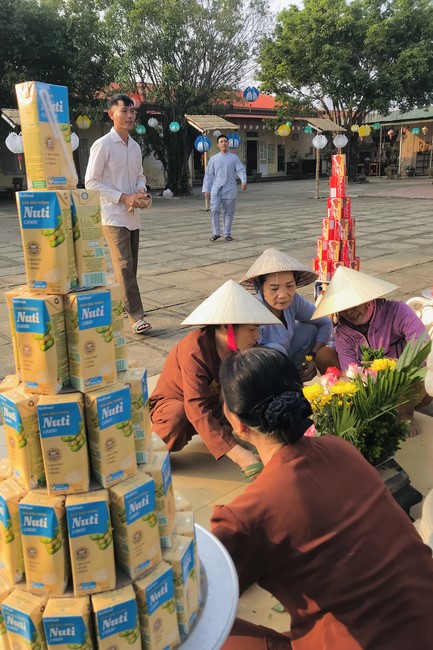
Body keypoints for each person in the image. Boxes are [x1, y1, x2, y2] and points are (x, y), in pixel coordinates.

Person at [211, 347, 433, 650]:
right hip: (424, 618)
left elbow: (199, 593)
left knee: (200, 628)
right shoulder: (341, 449)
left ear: (238, 424)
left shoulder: (248, 516)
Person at [149, 280, 280, 471]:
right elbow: (195, 405)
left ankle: (220, 431)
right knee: (177, 416)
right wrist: (240, 456)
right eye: (252, 329)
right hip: (178, 404)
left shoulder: (246, 349)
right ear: (227, 328)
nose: (257, 336)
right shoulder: (194, 348)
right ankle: (154, 453)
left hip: (216, 405)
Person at [312, 265, 430, 434]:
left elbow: (422, 347)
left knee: (424, 373)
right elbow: (349, 370)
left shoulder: (397, 311)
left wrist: (398, 366)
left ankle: (406, 412)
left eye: (354, 304)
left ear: (367, 299)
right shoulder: (343, 331)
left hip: (404, 378)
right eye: (343, 308)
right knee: (325, 355)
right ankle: (366, 408)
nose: (349, 312)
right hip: (369, 382)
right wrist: (363, 374)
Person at [85, 93, 152, 335]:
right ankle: (136, 316)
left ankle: (125, 304)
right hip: (112, 215)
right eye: (124, 111)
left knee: (130, 266)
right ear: (111, 113)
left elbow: (139, 176)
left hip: (133, 216)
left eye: (133, 111)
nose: (130, 115)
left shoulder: (134, 147)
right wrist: (123, 197)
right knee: (124, 266)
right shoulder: (102, 144)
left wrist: (140, 191)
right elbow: (91, 182)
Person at [240, 248, 337, 381]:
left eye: (290, 286)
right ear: (260, 287)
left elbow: (325, 322)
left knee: (310, 330)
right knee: (275, 349)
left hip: (285, 356)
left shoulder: (295, 301)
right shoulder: (254, 310)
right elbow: (248, 354)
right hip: (262, 370)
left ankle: (296, 374)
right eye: (274, 288)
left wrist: (312, 357)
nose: (283, 295)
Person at [202, 134, 247, 242]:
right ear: (218, 145)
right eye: (221, 142)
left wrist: (243, 180)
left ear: (228, 144)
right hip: (216, 189)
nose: (224, 143)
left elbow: (240, 170)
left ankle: (227, 233)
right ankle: (216, 233)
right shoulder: (213, 159)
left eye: (225, 141)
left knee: (229, 213)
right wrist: (206, 189)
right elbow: (208, 175)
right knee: (215, 210)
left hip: (230, 188)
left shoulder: (233, 158)